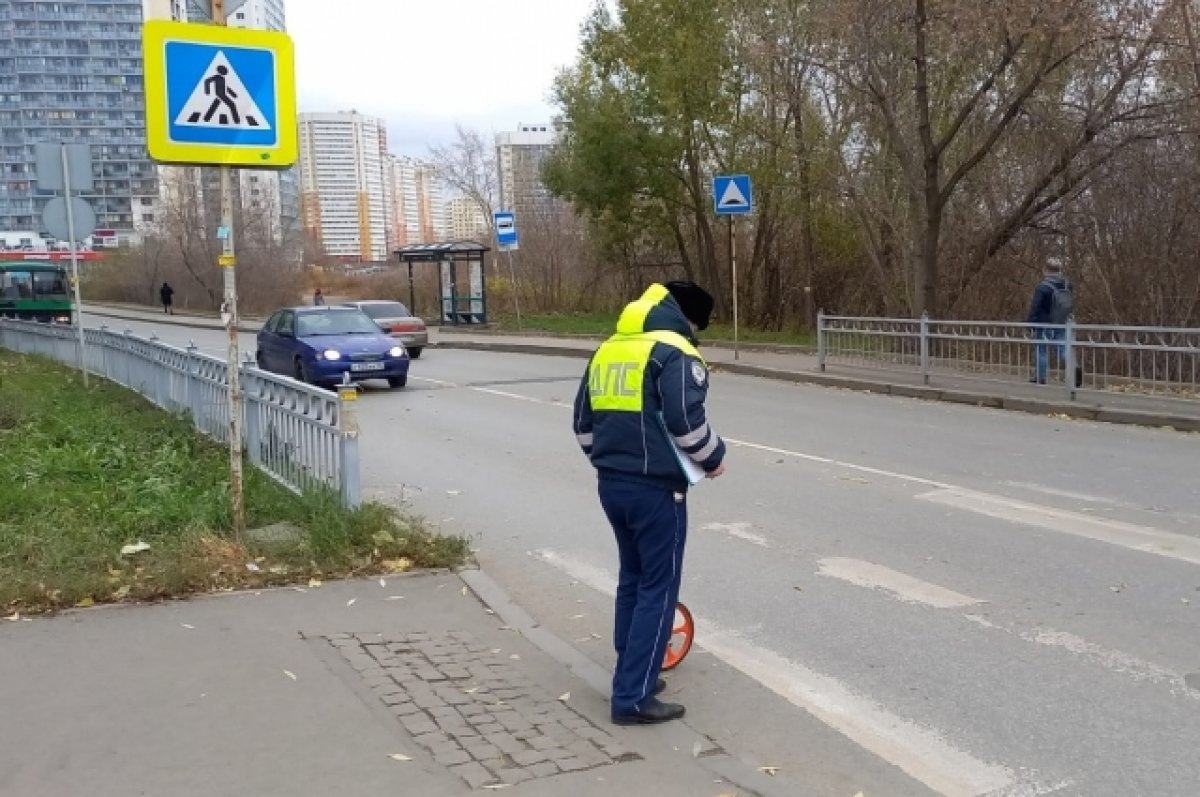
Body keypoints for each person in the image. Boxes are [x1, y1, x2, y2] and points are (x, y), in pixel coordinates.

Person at [572, 281, 726, 726]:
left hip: (611, 483)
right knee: (658, 588)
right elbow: (686, 422)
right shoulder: (675, 352)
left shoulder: (610, 348)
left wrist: (609, 461)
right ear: (690, 319)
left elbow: (583, 423)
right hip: (657, 488)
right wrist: (714, 459)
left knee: (632, 579)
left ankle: (631, 674)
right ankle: (633, 698)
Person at [1026, 261, 1080, 386]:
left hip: (1044, 324)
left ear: (1045, 270)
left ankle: (1041, 377)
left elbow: (1036, 306)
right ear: (1059, 270)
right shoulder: (1067, 285)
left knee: (1041, 349)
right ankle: (1074, 367)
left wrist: (1030, 323)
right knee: (1063, 348)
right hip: (1062, 321)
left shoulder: (1042, 287)